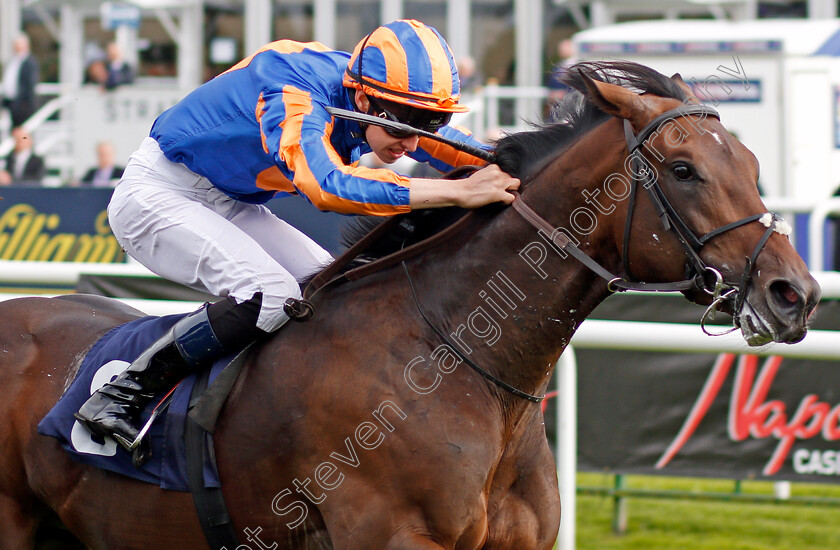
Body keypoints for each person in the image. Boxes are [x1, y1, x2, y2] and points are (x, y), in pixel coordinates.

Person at [74, 19, 520, 453]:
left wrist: (523, 165)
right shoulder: (296, 92)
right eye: (404, 125)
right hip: (157, 192)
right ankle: (124, 393)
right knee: (270, 294)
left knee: (331, 290)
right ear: (363, 99)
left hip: (228, 200)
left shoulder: (382, 99)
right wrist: (457, 192)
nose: (412, 142)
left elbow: (452, 146)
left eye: (428, 121)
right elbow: (326, 187)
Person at [1, 34, 40, 128]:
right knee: (14, 132)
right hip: (11, 103)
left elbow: (30, 85)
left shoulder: (30, 63)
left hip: (23, 106)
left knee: (24, 134)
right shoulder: (12, 61)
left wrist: (24, 105)